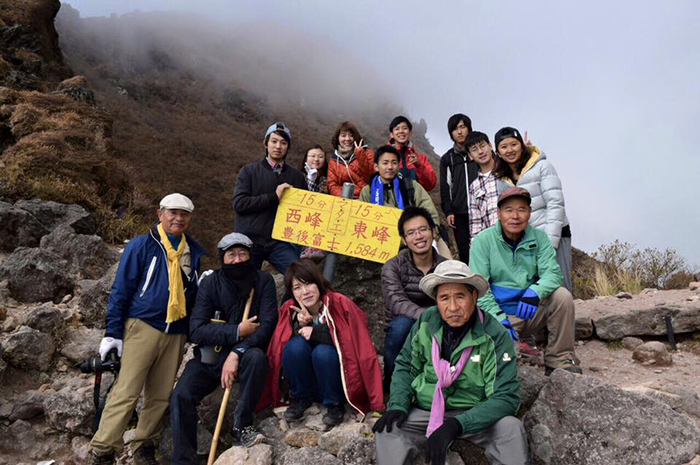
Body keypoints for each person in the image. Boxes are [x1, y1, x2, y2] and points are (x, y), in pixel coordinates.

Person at [373, 260, 527, 465]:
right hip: (426, 410)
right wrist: (398, 404)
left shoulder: (494, 333)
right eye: (444, 298)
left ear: (474, 297)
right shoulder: (426, 322)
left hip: (475, 412)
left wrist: (456, 425)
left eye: (460, 296)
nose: (453, 307)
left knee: (511, 428)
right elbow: (405, 366)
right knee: (389, 429)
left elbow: (506, 397)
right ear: (436, 300)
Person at [89, 193, 205, 465]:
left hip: (176, 332)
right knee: (126, 390)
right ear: (160, 214)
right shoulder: (142, 246)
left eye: (184, 214)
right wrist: (113, 332)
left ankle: (145, 445)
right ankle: (104, 449)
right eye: (173, 212)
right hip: (143, 326)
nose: (178, 218)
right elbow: (122, 289)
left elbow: (193, 294)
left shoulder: (193, 252)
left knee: (160, 394)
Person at [169, 233, 277, 463]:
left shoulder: (262, 282)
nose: (237, 260)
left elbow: (267, 326)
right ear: (223, 258)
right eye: (231, 255)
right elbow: (196, 330)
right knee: (181, 395)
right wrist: (237, 331)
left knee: (257, 359)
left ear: (250, 256)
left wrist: (238, 351)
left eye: (242, 254)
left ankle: (242, 427)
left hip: (246, 354)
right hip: (211, 358)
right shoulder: (210, 283)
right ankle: (184, 459)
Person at [469, 187, 581, 375]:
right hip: (500, 315)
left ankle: (559, 358)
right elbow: (479, 289)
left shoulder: (539, 238)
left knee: (562, 297)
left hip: (529, 309)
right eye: (509, 210)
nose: (515, 216)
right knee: (500, 365)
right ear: (498, 213)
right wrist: (498, 318)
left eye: (522, 209)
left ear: (529, 212)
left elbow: (553, 274)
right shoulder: (483, 241)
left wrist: (535, 292)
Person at [259, 260, 385, 426]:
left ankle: (334, 405)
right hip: (311, 383)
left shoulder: (340, 303)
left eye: (308, 283)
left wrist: (316, 332)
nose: (305, 292)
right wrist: (298, 325)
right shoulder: (290, 310)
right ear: (291, 292)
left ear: (318, 283)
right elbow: (280, 350)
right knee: (295, 347)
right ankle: (300, 398)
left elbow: (354, 346)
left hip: (340, 382)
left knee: (322, 352)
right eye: (297, 288)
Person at [492, 126, 573, 292]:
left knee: (559, 286)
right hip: (527, 241)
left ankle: (567, 318)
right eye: (504, 147)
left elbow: (555, 204)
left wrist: (549, 245)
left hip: (554, 235)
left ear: (522, 145)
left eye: (514, 144)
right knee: (535, 291)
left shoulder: (542, 167)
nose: (510, 150)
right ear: (498, 152)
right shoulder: (501, 179)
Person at [380, 206, 447, 393]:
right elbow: (396, 302)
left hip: (440, 323)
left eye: (423, 229)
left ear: (432, 232)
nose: (418, 236)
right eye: (411, 233)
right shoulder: (393, 267)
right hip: (405, 324)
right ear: (404, 239)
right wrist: (430, 315)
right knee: (402, 324)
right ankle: (394, 387)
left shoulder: (446, 267)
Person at [232, 122, 307, 275]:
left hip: (279, 242)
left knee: (301, 276)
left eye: (283, 142)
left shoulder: (297, 177)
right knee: (245, 284)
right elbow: (239, 204)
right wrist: (274, 197)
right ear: (265, 144)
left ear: (288, 147)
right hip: (249, 240)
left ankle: (288, 301)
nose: (278, 146)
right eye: (274, 141)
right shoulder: (249, 171)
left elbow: (306, 210)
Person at [360, 145, 451, 258]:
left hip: (416, 238)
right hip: (384, 242)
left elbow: (429, 211)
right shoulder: (368, 192)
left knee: (445, 263)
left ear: (398, 166)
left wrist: (430, 231)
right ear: (376, 166)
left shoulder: (411, 186)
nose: (390, 167)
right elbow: (363, 221)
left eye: (394, 163)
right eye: (385, 163)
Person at [439, 113, 478, 263]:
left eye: (463, 127)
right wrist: (448, 211)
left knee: (485, 245)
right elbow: (445, 186)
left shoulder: (478, 153)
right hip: (459, 213)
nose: (460, 132)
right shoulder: (447, 158)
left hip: (481, 209)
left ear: (469, 129)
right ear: (451, 134)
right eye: (455, 129)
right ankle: (469, 284)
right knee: (464, 250)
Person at [464, 131, 499, 241]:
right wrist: (475, 249)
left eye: (482, 146)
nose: (480, 152)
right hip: (493, 243)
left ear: (490, 146)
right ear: (470, 156)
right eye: (474, 149)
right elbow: (475, 222)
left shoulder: (507, 171)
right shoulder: (474, 186)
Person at [388, 116, 437, 192]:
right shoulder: (384, 157)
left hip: (415, 203)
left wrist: (419, 166)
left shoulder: (421, 159)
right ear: (391, 134)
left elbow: (431, 184)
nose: (401, 131)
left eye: (404, 128)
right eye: (397, 129)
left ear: (410, 133)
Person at [326, 121, 375, 198]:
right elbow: (332, 184)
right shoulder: (334, 160)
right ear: (338, 138)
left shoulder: (367, 152)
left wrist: (360, 155)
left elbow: (372, 177)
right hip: (344, 199)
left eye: (351, 136)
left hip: (367, 197)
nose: (347, 139)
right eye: (343, 136)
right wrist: (344, 196)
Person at [299, 145, 328, 262]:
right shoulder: (298, 176)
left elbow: (320, 199)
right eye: (312, 156)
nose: (316, 159)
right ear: (306, 158)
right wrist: (309, 180)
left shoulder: (326, 179)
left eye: (320, 157)